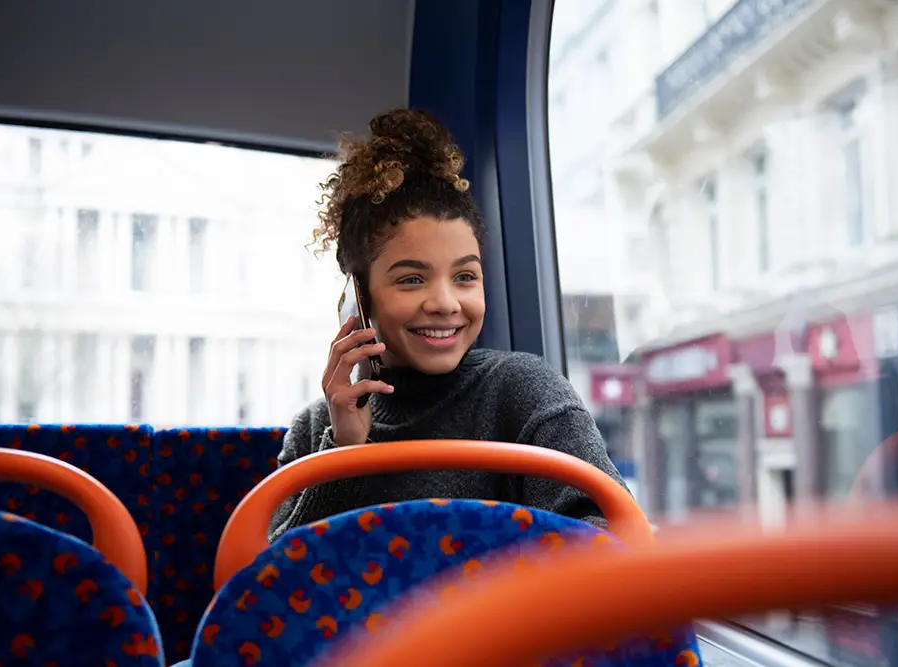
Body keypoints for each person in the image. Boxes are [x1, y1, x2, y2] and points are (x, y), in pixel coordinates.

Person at [268, 108, 628, 541]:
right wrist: (344, 454)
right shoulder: (313, 431)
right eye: (411, 279)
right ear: (358, 300)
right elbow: (275, 586)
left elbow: (612, 531)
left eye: (465, 277)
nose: (444, 302)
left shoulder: (522, 391)